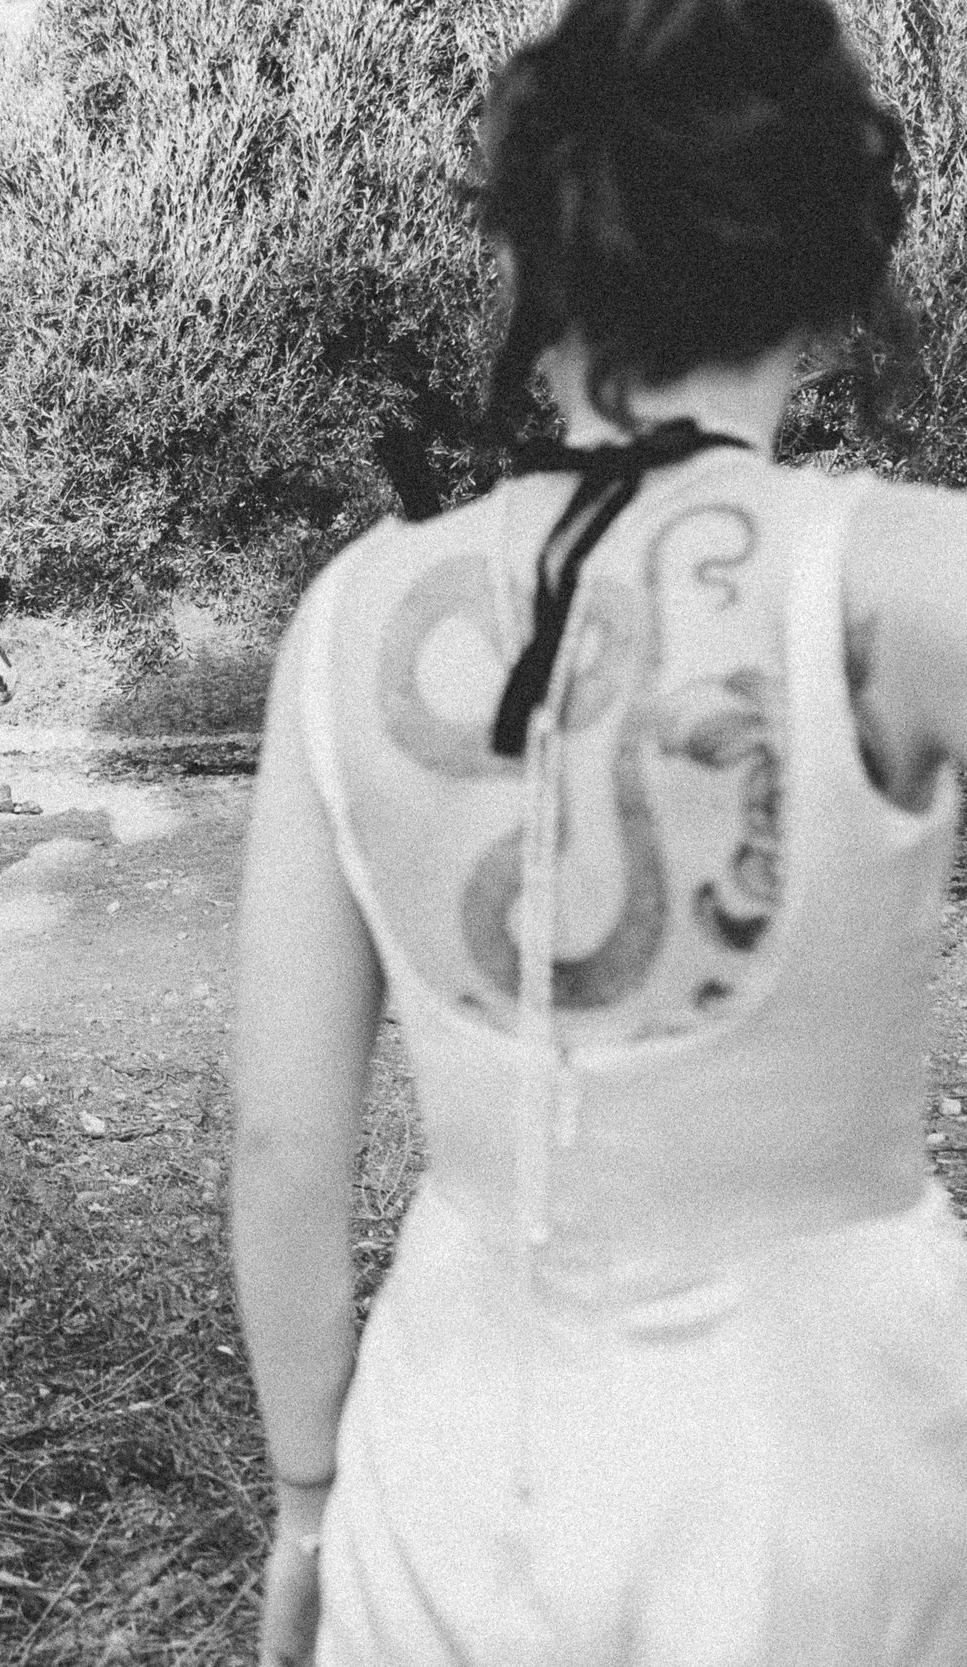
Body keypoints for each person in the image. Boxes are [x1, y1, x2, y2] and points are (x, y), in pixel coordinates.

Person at [229, 0, 967, 1661]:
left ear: (534, 262)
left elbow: (285, 1145)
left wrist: (305, 1503)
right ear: (833, 270)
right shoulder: (906, 576)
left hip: (450, 1469)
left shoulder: (347, 619)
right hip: (828, 1483)